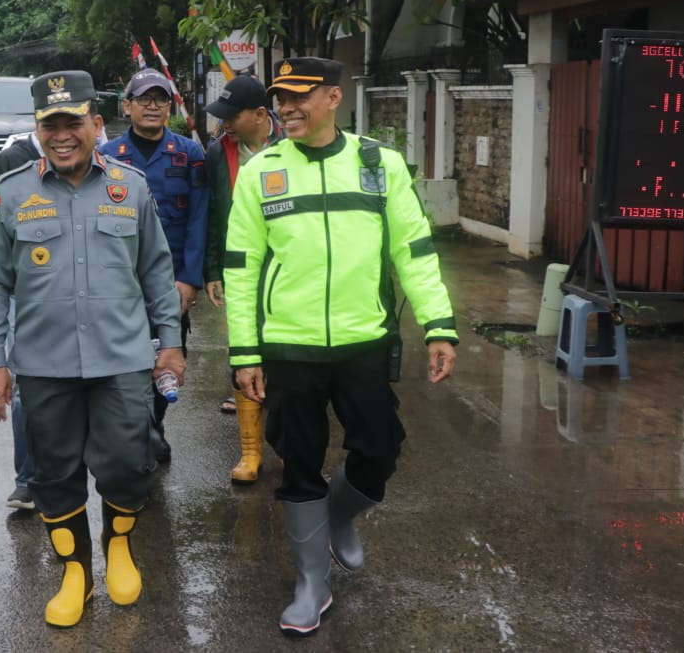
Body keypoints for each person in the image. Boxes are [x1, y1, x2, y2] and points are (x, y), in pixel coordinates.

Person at [224, 56, 458, 637]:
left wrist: (439, 324)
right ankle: (311, 583)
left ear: (334, 97)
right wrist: (245, 352)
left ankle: (337, 514)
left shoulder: (378, 165)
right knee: (298, 462)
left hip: (363, 341)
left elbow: (415, 249)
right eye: (280, 99)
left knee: (380, 449)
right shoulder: (261, 171)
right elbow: (241, 268)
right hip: (289, 347)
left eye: (299, 97)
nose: (285, 108)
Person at [0, 70, 184, 628]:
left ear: (96, 123)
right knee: (54, 472)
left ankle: (118, 546)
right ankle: (75, 572)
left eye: (73, 123)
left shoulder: (130, 187)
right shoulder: (12, 191)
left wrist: (171, 344)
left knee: (128, 464)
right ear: (38, 129)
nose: (62, 135)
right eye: (50, 125)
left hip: (123, 359)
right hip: (45, 364)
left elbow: (157, 273)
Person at [99, 68, 207, 462]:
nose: (152, 106)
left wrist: (190, 281)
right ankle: (137, 433)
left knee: (166, 360)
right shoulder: (107, 156)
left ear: (169, 106)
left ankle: (153, 426)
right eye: (143, 98)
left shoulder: (189, 154)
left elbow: (198, 219)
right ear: (126, 106)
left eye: (160, 99)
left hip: (171, 283)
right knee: (126, 364)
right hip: (121, 283)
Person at [202, 74, 283, 485]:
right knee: (244, 349)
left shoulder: (291, 146)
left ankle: (287, 446)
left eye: (233, 117)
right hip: (240, 266)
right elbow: (215, 212)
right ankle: (250, 452)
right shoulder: (220, 153)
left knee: (287, 355)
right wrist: (213, 270)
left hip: (288, 266)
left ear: (260, 115)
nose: (226, 124)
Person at [0, 133, 41, 511]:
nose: (64, 135)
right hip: (28, 300)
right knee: (26, 393)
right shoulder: (12, 166)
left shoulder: (110, 172)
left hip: (93, 308)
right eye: (52, 123)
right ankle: (28, 481)